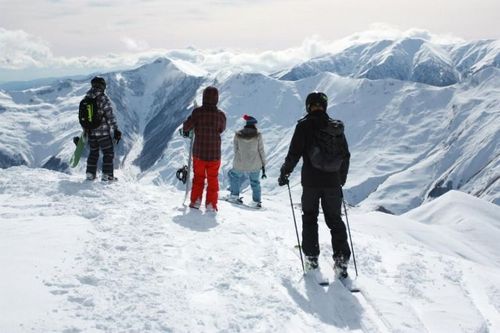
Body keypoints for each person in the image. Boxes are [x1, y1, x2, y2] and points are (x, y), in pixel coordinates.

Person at [278, 91, 351, 277]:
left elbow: (294, 152)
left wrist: (285, 172)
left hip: (311, 182)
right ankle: (341, 260)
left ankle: (311, 258)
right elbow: (345, 156)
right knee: (335, 220)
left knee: (310, 217)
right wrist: (340, 179)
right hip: (333, 183)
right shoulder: (335, 128)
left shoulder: (304, 126)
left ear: (309, 106)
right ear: (324, 106)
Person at [182, 86, 226, 212]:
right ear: (216, 99)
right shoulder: (221, 115)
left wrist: (193, 121)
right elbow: (221, 129)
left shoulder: (197, 113)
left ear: (204, 97)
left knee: (199, 178)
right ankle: (211, 204)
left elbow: (186, 127)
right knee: (213, 179)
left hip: (199, 153)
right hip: (214, 154)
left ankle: (196, 200)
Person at [84, 76, 122, 181]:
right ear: (102, 86)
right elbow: (109, 115)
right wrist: (116, 129)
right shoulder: (103, 98)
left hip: (91, 132)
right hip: (103, 132)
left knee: (93, 153)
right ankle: (107, 175)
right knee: (108, 153)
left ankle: (90, 174)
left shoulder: (87, 98)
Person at [226, 115, 267, 208]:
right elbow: (261, 150)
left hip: (240, 162)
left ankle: (235, 196)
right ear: (254, 125)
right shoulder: (258, 135)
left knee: (234, 176)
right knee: (255, 182)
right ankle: (256, 202)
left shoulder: (238, 134)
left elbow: (235, 149)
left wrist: (239, 158)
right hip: (255, 163)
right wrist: (263, 164)